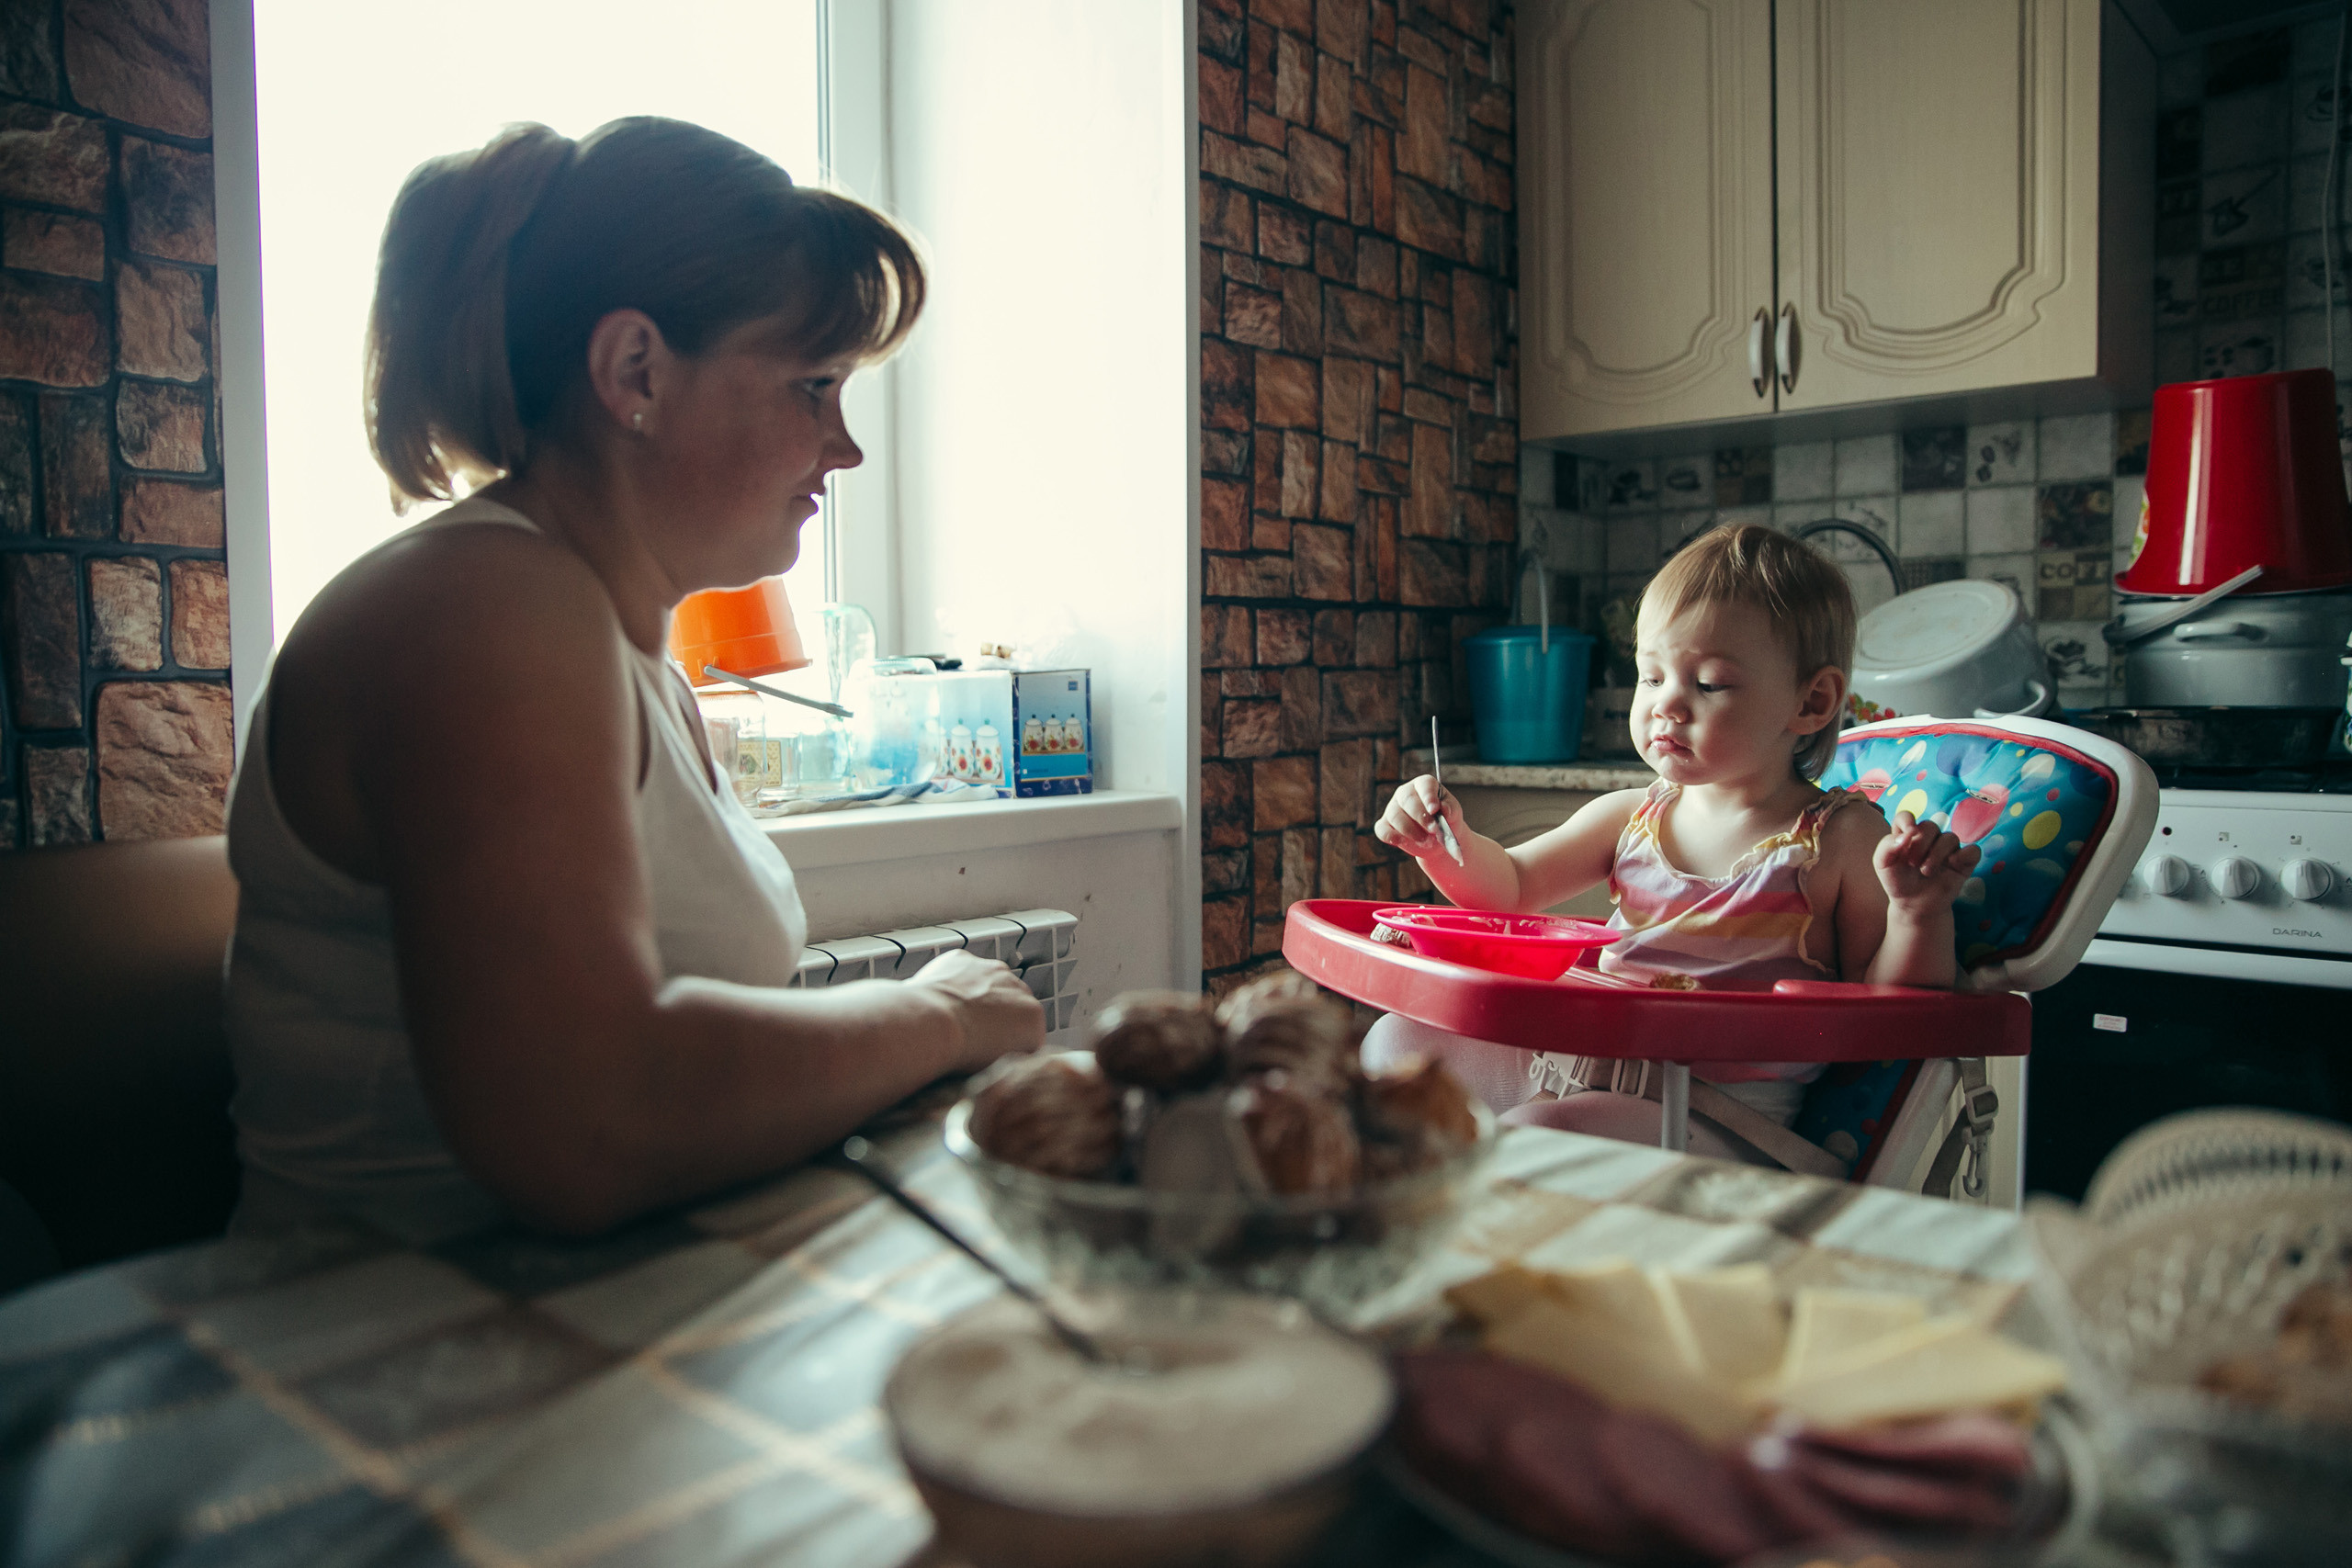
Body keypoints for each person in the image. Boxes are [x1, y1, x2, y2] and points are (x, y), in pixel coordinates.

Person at [225, 118, 1043, 1244]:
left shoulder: (627, 651)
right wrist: (936, 1015)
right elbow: (586, 1123)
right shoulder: (483, 610)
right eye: (812, 386)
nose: (845, 449)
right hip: (398, 1357)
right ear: (634, 372)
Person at [1366, 525, 1978, 1166]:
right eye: (1650, 676)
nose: (1666, 706)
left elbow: (1895, 1011)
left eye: (1708, 684)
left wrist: (1917, 913)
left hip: (1715, 1121)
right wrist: (1445, 843)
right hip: (1574, 1065)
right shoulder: (1633, 814)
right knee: (1395, 1045)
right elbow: (1511, 885)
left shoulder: (1839, 838)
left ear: (1811, 700)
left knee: (1540, 1138)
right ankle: (1423, 1228)